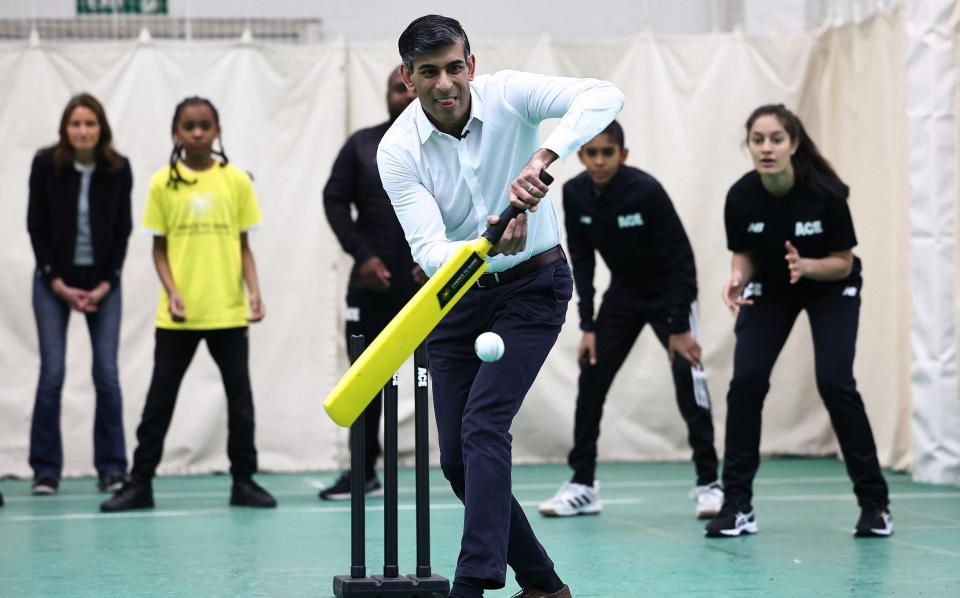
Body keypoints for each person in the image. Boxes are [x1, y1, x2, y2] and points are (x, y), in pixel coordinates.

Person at [378, 15, 623, 598]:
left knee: (485, 424)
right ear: (409, 80)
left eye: (455, 67)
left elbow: (604, 95)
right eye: (428, 72)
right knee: (459, 464)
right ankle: (543, 585)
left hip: (533, 288)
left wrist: (543, 158)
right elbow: (432, 251)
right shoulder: (397, 150)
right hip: (455, 299)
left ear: (472, 64)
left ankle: (473, 583)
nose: (446, 83)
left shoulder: (510, 92)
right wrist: (482, 247)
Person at [706, 104, 891, 538]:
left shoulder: (826, 192)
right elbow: (744, 254)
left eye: (776, 139)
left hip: (830, 285)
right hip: (771, 288)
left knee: (834, 381)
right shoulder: (740, 196)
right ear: (749, 145)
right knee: (746, 381)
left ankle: (875, 504)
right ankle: (737, 505)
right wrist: (737, 278)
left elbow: (844, 263)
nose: (766, 148)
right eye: (758, 139)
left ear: (793, 144)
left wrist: (806, 266)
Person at [538, 121, 721, 520]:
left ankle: (710, 483)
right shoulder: (574, 193)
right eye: (591, 153)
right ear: (581, 157)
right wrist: (587, 325)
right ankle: (583, 485)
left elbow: (682, 260)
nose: (600, 161)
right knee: (591, 377)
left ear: (624, 154)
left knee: (688, 381)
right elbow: (582, 263)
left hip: (670, 293)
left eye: (608, 152)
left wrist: (679, 328)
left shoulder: (646, 190)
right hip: (624, 294)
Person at [101, 97, 275, 512]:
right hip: (178, 316)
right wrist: (173, 291)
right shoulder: (163, 182)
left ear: (217, 130)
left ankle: (244, 481)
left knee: (240, 400)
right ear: (175, 133)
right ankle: (139, 482)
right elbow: (158, 250)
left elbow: (243, 246)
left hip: (227, 311)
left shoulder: (236, 181)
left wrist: (254, 291)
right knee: (159, 400)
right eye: (188, 126)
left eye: (204, 125)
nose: (197, 133)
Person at [319, 67, 421, 501]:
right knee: (364, 379)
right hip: (371, 287)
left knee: (452, 376)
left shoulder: (442, 145)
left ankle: (468, 466)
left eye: (407, 89)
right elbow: (334, 200)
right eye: (395, 90)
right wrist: (363, 257)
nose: (401, 97)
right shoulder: (362, 145)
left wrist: (434, 259)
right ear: (386, 96)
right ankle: (362, 473)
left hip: (429, 289)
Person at [26, 93, 132, 496]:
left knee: (106, 374)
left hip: (104, 283)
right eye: (76, 124)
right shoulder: (44, 165)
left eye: (90, 123)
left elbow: (123, 230)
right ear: (65, 129)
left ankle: (112, 468)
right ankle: (46, 471)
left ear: (101, 128)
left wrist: (105, 284)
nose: (83, 131)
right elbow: (35, 226)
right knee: (52, 374)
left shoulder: (119, 169)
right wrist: (58, 284)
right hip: (54, 283)